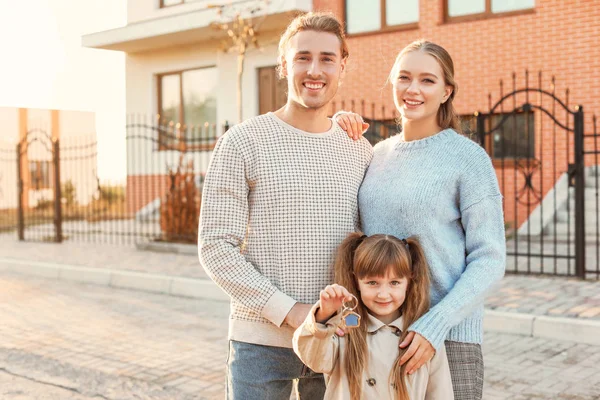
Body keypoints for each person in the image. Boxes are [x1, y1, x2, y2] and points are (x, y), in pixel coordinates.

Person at [198, 12, 373, 400]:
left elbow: (371, 246)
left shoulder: (359, 149)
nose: (315, 69)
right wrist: (293, 311)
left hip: (336, 340)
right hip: (259, 344)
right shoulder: (243, 141)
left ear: (342, 65)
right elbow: (215, 247)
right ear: (283, 65)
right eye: (302, 57)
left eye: (327, 58)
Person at [335, 40, 506, 400]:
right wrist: (337, 125)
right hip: (375, 334)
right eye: (404, 78)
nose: (413, 90)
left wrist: (435, 325)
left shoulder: (468, 159)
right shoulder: (376, 154)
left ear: (447, 91)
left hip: (446, 336)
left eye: (427, 80)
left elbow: (490, 258)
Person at [293, 232, 454, 400]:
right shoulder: (343, 329)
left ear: (409, 281)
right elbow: (313, 359)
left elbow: (440, 393)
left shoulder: (422, 337)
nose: (383, 294)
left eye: (394, 283)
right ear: (356, 281)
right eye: (372, 283)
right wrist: (323, 316)